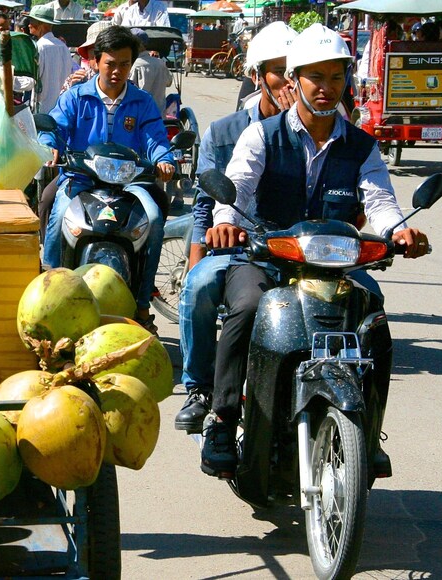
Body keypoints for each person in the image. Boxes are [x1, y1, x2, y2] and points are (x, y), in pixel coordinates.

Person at [199, 24, 430, 477]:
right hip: (267, 257)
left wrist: (399, 231)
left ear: (347, 81)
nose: (326, 88)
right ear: (293, 81)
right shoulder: (262, 136)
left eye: (335, 78)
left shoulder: (361, 146)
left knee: (374, 318)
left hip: (334, 265)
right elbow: (237, 191)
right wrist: (225, 224)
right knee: (245, 307)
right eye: (314, 77)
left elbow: (379, 201)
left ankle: (369, 429)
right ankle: (222, 419)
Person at [174, 21, 297, 434]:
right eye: (278, 71)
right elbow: (205, 208)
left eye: (297, 71)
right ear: (256, 75)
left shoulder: (321, 129)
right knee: (199, 288)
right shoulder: (223, 133)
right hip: (240, 250)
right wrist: (198, 258)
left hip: (304, 250)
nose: (289, 83)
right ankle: (201, 390)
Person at [40, 26, 174, 331]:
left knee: (153, 219)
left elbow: (155, 139)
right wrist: (50, 143)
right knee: (59, 212)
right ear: (96, 62)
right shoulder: (77, 97)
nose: (117, 71)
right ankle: (48, 286)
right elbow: (55, 128)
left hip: (131, 182)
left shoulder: (142, 103)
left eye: (124, 64)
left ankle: (141, 304)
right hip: (82, 177)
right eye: (110, 64)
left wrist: (164, 160)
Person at [27, 4, 72, 114]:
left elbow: (30, 81)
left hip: (42, 111)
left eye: (31, 21)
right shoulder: (63, 47)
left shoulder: (40, 47)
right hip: (62, 109)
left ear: (41, 24)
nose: (28, 25)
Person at [128, 28, 171, 114]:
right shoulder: (160, 63)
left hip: (139, 116)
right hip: (159, 114)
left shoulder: (134, 65)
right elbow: (169, 82)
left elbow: (129, 91)